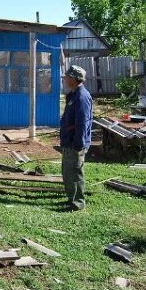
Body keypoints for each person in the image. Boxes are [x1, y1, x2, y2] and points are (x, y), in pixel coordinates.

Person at [60, 65, 93, 210]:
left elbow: (83, 123)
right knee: (68, 173)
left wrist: (78, 144)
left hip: (75, 144)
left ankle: (78, 203)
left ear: (73, 79)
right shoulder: (72, 94)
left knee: (75, 173)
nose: (64, 79)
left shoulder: (82, 97)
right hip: (69, 142)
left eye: (67, 77)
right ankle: (71, 198)